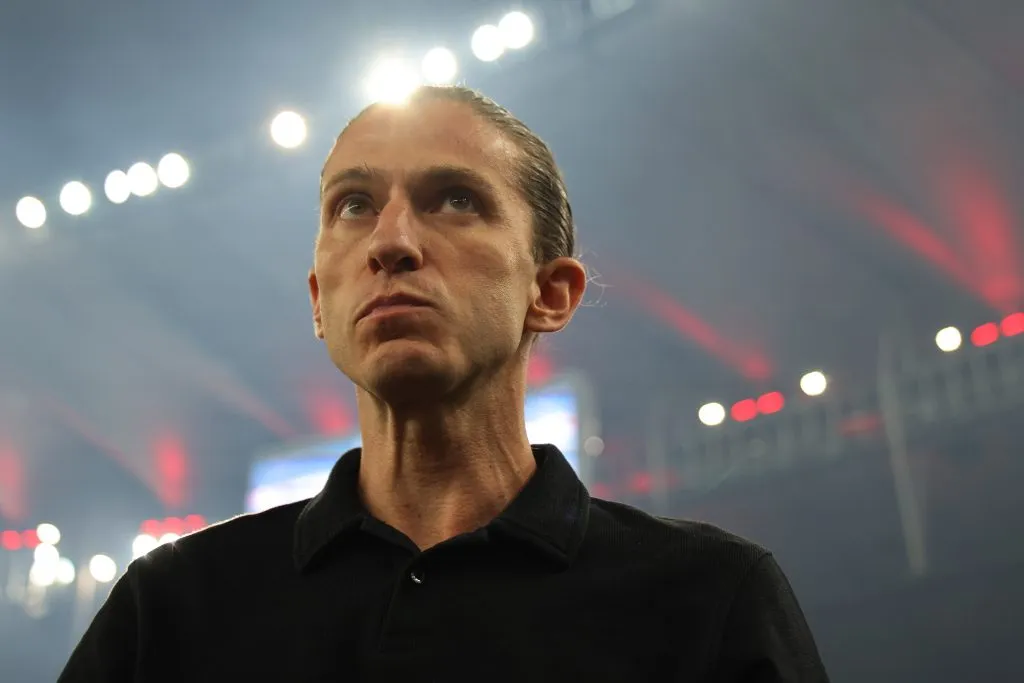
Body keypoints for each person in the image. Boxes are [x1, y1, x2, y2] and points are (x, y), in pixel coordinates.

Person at [59, 85, 829, 681]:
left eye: (455, 199)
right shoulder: (170, 605)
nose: (390, 241)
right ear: (321, 302)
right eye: (354, 205)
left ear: (551, 291)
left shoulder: (710, 600)